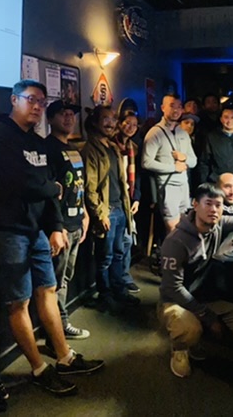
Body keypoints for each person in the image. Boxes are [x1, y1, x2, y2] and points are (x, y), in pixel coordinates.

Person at [0, 80, 104, 396]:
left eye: (42, 101)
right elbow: (20, 181)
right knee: (18, 302)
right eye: (31, 99)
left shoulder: (37, 143)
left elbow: (45, 188)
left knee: (48, 289)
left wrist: (56, 226)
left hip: (37, 230)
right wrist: (52, 188)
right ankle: (38, 368)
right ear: (14, 100)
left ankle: (65, 357)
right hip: (7, 231)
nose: (37, 106)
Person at [158, 183, 233, 378]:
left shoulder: (218, 224)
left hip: (203, 294)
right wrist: (208, 316)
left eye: (218, 205)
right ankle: (180, 348)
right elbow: (173, 288)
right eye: (208, 203)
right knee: (189, 328)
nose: (213, 209)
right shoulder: (176, 241)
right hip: (175, 301)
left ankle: (202, 338)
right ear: (195, 204)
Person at [83, 105, 140, 313]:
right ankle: (105, 295)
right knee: (104, 257)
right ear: (96, 122)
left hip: (120, 208)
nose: (110, 123)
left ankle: (119, 291)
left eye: (113, 119)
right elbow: (90, 188)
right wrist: (100, 213)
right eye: (105, 118)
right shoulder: (90, 149)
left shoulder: (114, 147)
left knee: (118, 253)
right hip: (107, 210)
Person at [44, 100, 91, 339]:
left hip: (76, 222)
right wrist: (58, 225)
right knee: (55, 280)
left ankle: (61, 323)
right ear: (50, 118)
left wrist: (85, 213)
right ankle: (57, 329)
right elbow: (50, 193)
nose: (69, 118)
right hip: (60, 227)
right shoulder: (47, 149)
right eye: (63, 114)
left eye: (72, 114)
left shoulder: (73, 148)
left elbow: (79, 185)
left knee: (65, 278)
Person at [142, 94, 197, 233]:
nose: (176, 110)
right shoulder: (155, 133)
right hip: (167, 186)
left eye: (179, 106)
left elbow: (194, 161)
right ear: (162, 108)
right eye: (172, 106)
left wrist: (184, 158)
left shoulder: (183, 133)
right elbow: (146, 162)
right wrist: (173, 168)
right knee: (173, 230)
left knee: (186, 227)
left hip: (184, 185)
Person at [113, 110, 142, 293]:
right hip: (115, 200)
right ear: (119, 123)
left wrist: (136, 198)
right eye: (127, 123)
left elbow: (137, 175)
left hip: (128, 199)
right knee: (118, 244)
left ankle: (124, 276)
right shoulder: (111, 145)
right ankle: (117, 282)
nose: (131, 127)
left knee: (128, 240)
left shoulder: (133, 147)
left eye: (134, 125)